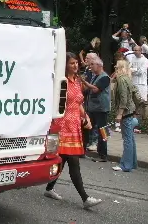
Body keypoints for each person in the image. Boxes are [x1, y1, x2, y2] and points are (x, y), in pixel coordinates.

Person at [44, 52, 102, 209]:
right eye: (72, 63)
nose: (75, 65)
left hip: (75, 125)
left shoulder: (77, 81)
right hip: (63, 126)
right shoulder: (61, 82)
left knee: (62, 160)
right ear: (65, 65)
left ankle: (49, 188)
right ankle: (85, 198)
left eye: (76, 63)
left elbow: (78, 103)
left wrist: (86, 118)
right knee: (73, 161)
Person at [81, 55, 111, 162]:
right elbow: (86, 90)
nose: (90, 67)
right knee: (86, 127)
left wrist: (85, 82)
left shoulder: (105, 77)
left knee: (102, 131)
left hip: (101, 109)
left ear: (99, 65)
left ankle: (103, 153)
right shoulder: (93, 76)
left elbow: (95, 89)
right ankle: (82, 150)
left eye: (92, 65)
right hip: (92, 108)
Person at [112, 60, 139, 172]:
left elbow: (123, 98)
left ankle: (126, 165)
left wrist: (119, 113)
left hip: (126, 112)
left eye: (116, 66)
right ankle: (132, 163)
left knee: (127, 139)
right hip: (130, 111)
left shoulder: (121, 79)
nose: (115, 68)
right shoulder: (127, 78)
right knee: (130, 139)